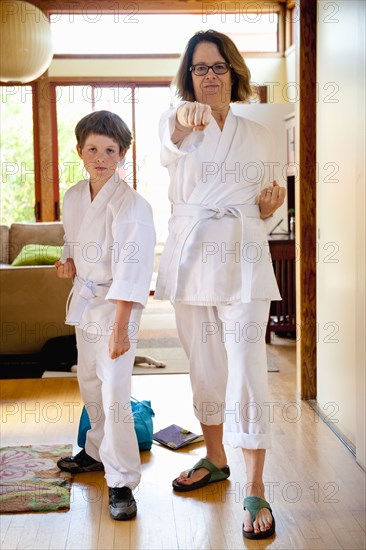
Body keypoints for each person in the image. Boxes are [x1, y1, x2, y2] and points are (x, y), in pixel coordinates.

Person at [155, 30, 286, 539]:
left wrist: (269, 211)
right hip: (193, 259)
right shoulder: (175, 120)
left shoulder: (258, 134)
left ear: (233, 72)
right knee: (206, 365)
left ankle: (255, 485)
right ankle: (215, 459)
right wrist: (185, 123)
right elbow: (169, 147)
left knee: (248, 369)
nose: (208, 77)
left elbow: (263, 203)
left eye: (217, 67)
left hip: (246, 257)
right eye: (199, 68)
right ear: (188, 77)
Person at [55, 110, 156, 521]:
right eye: (92, 149)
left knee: (115, 391)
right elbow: (71, 239)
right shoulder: (75, 195)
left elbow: (133, 272)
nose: (100, 157)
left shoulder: (132, 205)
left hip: (119, 307)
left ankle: (122, 481)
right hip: (86, 300)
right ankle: (96, 452)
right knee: (90, 381)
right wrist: (67, 261)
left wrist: (121, 330)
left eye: (109, 150)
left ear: (123, 155)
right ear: (80, 151)